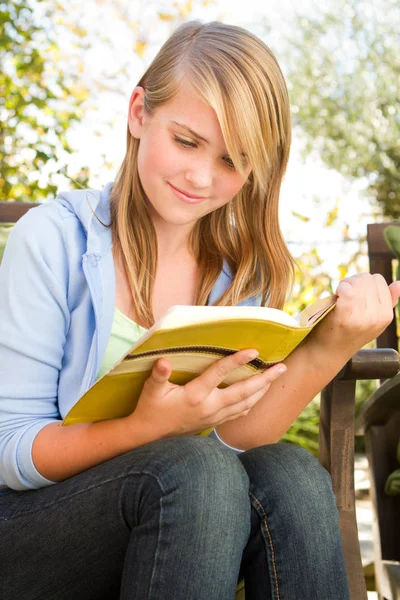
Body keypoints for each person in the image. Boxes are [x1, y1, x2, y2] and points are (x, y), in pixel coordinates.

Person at [0, 20, 398, 600]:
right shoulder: (53, 241)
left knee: (292, 478)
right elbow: (12, 452)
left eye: (232, 161)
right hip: (29, 531)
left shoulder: (238, 279)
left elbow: (237, 439)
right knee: (193, 467)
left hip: (170, 513)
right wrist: (146, 428)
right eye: (187, 142)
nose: (200, 176)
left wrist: (335, 340)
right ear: (139, 113)